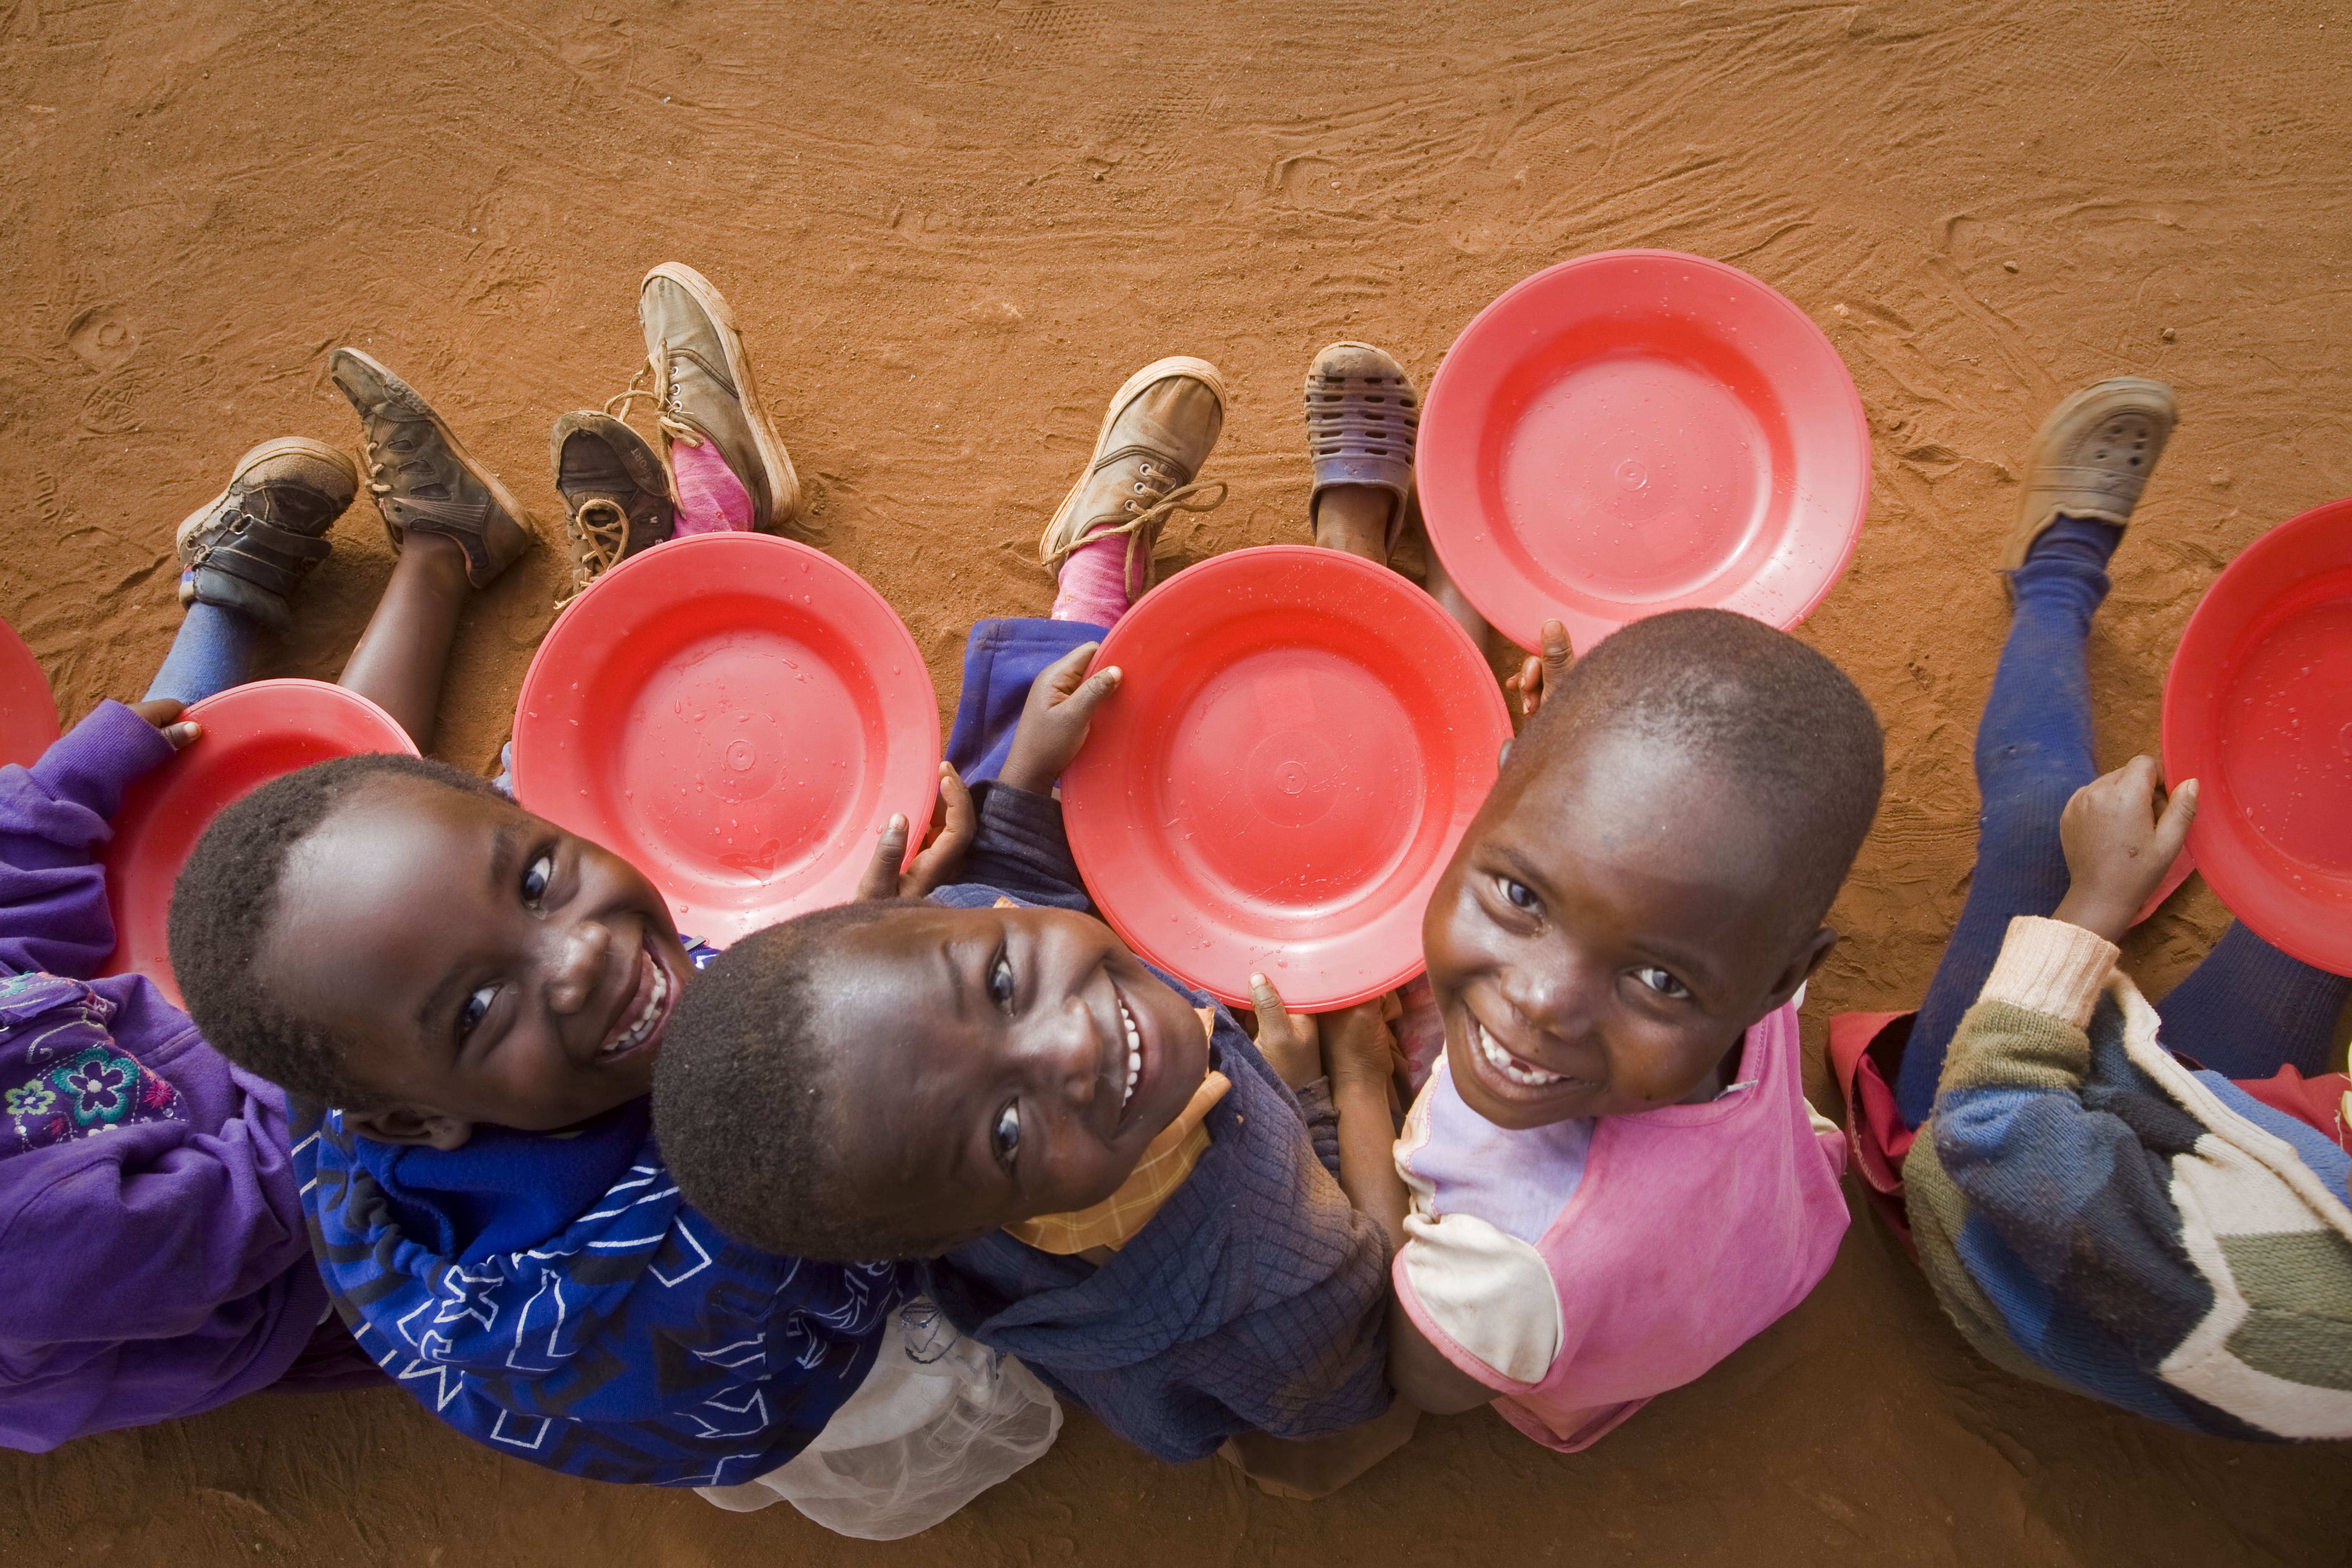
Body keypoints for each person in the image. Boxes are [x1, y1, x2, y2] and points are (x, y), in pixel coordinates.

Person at [163, 271, 1064, 1537]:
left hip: (664, 1316)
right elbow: (882, 1132)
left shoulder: (364, 1053)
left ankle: (665, 564)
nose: (579, 954)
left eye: (536, 872)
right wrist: (864, 938)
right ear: (414, 1112)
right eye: (481, 1003)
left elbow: (471, 887)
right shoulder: (694, 1241)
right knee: (999, 970)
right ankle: (692, 541)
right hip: (813, 1348)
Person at [650, 358, 1397, 1476]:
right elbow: (1373, 1297)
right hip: (1300, 1224)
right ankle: (1349, 569)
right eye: (1004, 1132)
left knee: (1002, 781)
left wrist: (1027, 792)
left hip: (1103, 998)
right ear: (953, 1230)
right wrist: (1339, 1093)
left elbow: (1006, 893)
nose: (1071, 1043)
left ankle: (1096, 597)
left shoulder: (944, 1101)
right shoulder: (1285, 1276)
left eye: (998, 980)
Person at [0, 354, 529, 1450]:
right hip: (295, 1269)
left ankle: (244, 596)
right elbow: (263, 1207)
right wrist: (291, 973)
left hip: (184, 1057)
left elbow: (14, 919)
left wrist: (77, 782)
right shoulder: (32, 1245)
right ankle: (443, 565)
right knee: (369, 872)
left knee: (169, 781)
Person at [1836, 378, 2352, 1439]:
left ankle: (2058, 575)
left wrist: (2095, 907)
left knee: (2040, 822)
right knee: (2324, 912)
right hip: (2223, 1166)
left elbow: (1996, 1127)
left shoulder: (2290, 1307)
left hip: (1998, 1205)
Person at [1330, 605, 1882, 1452]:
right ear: (1500, 783)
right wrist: (1589, 757)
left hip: (1573, 1313)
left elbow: (1422, 1381)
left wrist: (1355, 1085)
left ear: (1782, 979)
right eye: (1522, 894)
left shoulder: (1512, 1264)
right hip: (1768, 1230)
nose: (1544, 1001)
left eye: (1659, 980)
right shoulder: (1731, 952)